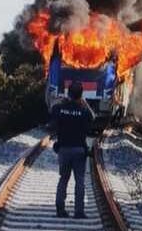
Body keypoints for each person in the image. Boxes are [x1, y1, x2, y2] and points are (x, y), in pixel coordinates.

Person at [49, 81, 95, 219]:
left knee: (63, 179)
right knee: (80, 180)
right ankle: (79, 212)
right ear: (81, 95)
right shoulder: (84, 110)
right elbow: (93, 118)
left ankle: (60, 209)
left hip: (63, 149)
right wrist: (85, 103)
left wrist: (63, 102)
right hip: (79, 150)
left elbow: (52, 114)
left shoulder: (59, 108)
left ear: (68, 93)